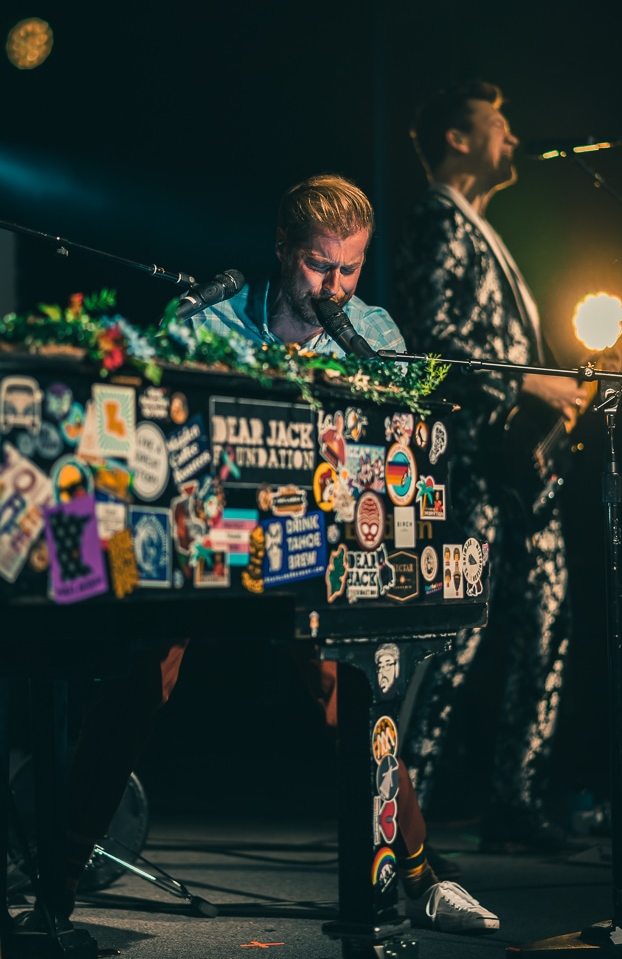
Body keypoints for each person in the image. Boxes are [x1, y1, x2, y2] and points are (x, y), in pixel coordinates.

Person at [14, 175, 498, 945]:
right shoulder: (209, 317)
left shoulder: (372, 330)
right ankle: (57, 885)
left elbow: (396, 450)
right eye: (317, 265)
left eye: (348, 268)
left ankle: (421, 877)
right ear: (281, 249)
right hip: (205, 537)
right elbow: (146, 417)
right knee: (142, 675)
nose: (333, 287)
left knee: (345, 688)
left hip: (315, 543)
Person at [394, 82, 583, 852]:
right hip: (469, 462)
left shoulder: (483, 231)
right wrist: (530, 381)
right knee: (454, 634)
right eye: (495, 123)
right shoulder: (436, 218)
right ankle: (398, 814)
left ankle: (515, 804)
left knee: (546, 626)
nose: (511, 135)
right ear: (458, 137)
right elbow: (427, 339)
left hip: (517, 467)